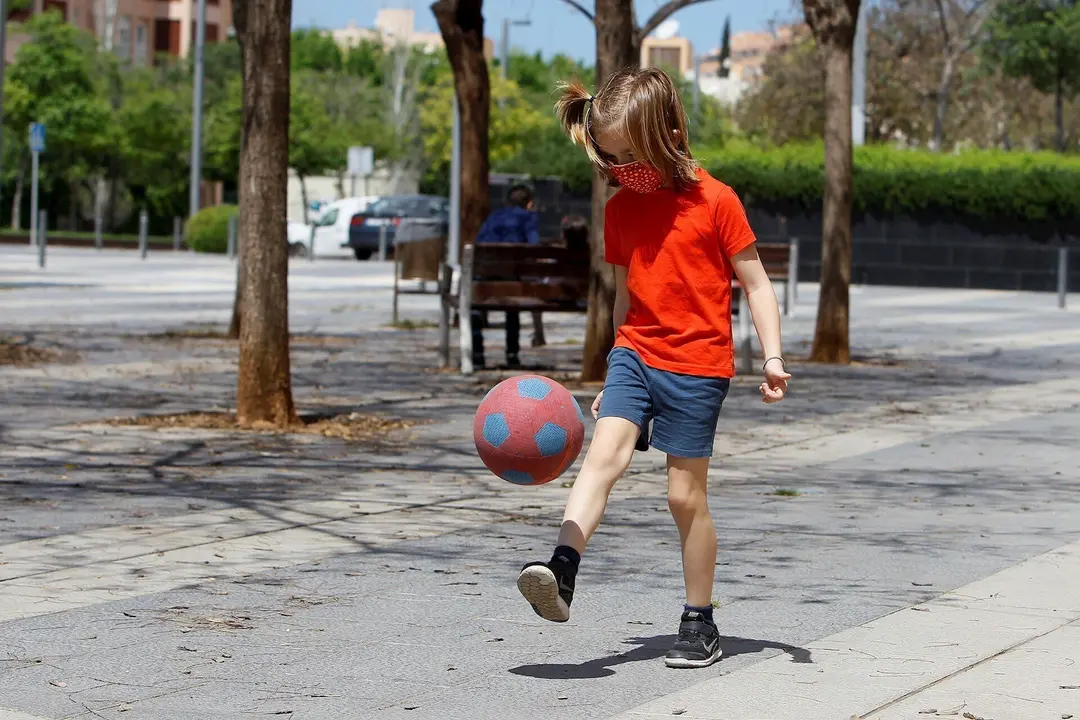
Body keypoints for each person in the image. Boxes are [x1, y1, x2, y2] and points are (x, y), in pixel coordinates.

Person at [515, 68, 792, 669]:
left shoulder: (716, 200)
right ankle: (561, 571)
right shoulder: (619, 211)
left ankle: (700, 620)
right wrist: (615, 361)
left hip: (697, 367)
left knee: (683, 497)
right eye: (611, 160)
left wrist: (771, 357)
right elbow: (624, 294)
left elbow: (758, 284)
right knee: (603, 457)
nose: (622, 170)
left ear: (668, 133)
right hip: (636, 354)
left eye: (631, 156)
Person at [472, 185, 540, 369]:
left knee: (476, 305)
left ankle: (477, 353)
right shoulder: (528, 218)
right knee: (512, 303)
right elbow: (534, 247)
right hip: (512, 280)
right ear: (529, 203)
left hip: (485, 279)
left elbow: (479, 245)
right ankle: (512, 354)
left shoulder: (494, 217)